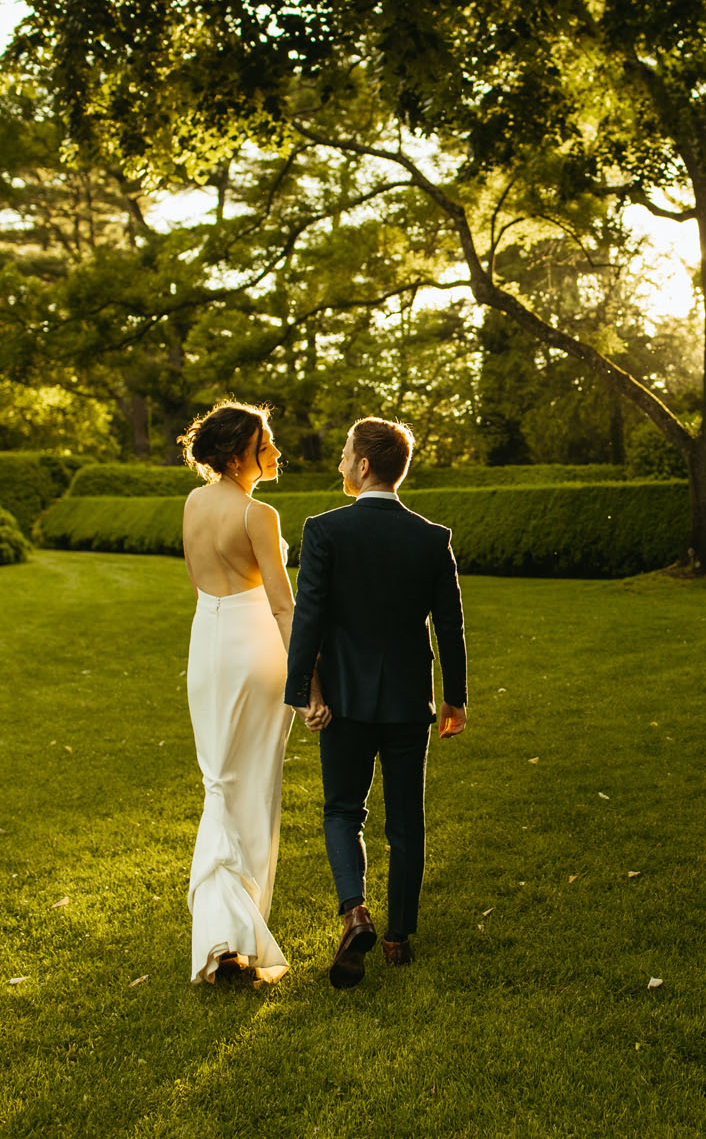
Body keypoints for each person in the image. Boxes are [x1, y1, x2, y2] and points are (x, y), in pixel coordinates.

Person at [285, 416, 467, 989]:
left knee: (342, 809)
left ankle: (355, 912)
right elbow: (450, 626)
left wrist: (301, 694)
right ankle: (397, 938)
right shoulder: (431, 536)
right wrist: (455, 697)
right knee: (405, 819)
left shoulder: (324, 530)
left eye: (344, 454)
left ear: (364, 465)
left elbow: (308, 616)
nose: (339, 463)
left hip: (342, 698)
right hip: (410, 701)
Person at [180, 400, 329, 986]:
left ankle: (227, 937)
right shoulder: (257, 514)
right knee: (252, 786)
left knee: (219, 779)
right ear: (242, 452)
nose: (276, 450)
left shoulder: (193, 504)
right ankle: (230, 936)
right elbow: (283, 606)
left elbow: (196, 580)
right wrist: (308, 686)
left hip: (207, 645)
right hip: (254, 647)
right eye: (267, 441)